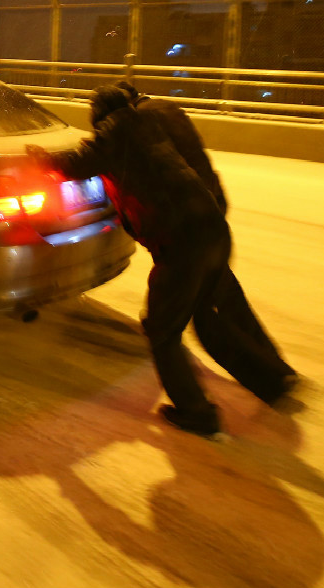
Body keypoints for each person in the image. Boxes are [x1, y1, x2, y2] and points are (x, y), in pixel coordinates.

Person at [27, 85, 232, 437]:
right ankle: (264, 381)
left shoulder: (114, 133)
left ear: (99, 115)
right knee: (203, 314)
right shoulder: (148, 126)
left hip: (182, 242)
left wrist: (39, 157)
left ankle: (197, 412)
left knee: (161, 331)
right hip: (212, 229)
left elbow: (76, 163)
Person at [116, 81, 298, 405]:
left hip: (190, 221)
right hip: (211, 207)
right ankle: (276, 367)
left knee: (206, 314)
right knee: (225, 293)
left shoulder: (142, 122)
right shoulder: (165, 108)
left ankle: (268, 381)